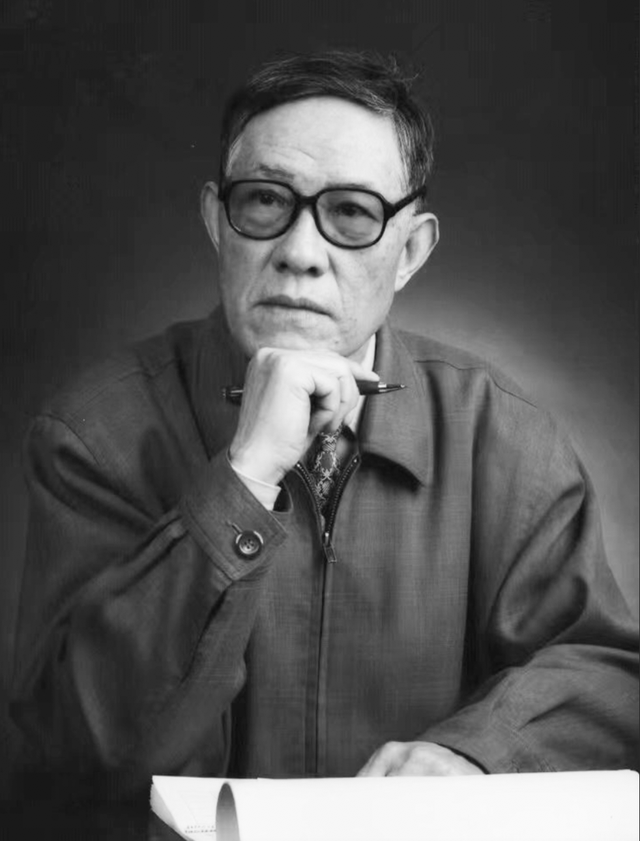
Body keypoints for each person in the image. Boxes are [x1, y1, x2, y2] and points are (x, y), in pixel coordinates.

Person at [11, 50, 638, 796]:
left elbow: (608, 674)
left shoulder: (500, 433)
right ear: (216, 221)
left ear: (410, 251)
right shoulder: (94, 434)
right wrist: (245, 478)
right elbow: (80, 748)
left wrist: (480, 755)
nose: (300, 253)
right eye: (264, 201)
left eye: (352, 212)